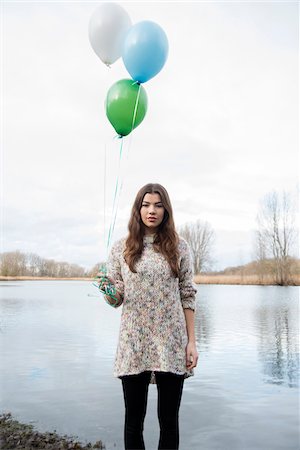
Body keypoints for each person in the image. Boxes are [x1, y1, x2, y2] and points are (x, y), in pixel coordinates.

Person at [101, 183, 198, 450]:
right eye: (146, 205)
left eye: (158, 205)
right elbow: (115, 300)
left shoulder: (180, 247)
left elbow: (187, 295)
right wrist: (106, 288)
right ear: (138, 209)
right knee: (133, 422)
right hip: (134, 343)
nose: (151, 210)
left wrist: (191, 342)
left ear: (166, 210)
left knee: (169, 421)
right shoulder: (121, 248)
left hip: (171, 342)